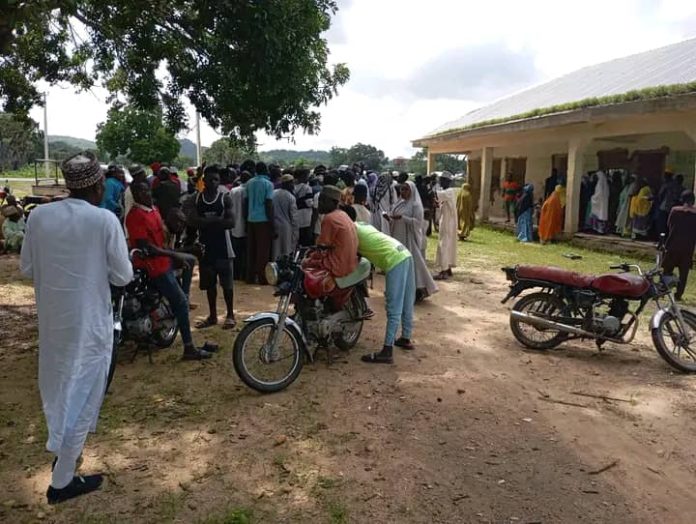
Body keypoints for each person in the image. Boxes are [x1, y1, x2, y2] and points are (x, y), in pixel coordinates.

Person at [19, 152, 133, 504]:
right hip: (91, 326)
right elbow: (123, 275)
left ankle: (64, 453)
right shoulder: (103, 221)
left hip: (54, 323)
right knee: (83, 395)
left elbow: (27, 268)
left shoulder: (39, 217)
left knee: (59, 389)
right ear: (98, 185)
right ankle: (62, 481)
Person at [126, 181, 214, 359]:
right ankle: (189, 347)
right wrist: (173, 255)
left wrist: (174, 254)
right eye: (141, 192)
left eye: (147, 190)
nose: (146, 194)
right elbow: (147, 248)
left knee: (189, 262)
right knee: (180, 302)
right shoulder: (135, 216)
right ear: (134, 195)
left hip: (163, 259)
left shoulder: (154, 210)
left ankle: (183, 296)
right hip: (153, 265)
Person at [352, 222, 415, 364]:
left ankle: (387, 350)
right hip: (404, 253)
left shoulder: (351, 233)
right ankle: (406, 337)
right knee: (406, 300)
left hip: (394, 259)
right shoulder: (363, 225)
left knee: (394, 306)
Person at [192, 166, 237, 330]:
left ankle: (230, 314)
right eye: (209, 179)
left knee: (227, 284)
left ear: (219, 181)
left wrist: (206, 222)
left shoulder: (225, 198)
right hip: (205, 247)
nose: (213, 183)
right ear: (204, 181)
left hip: (223, 247)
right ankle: (212, 316)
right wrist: (216, 220)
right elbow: (194, 221)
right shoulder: (198, 198)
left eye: (216, 180)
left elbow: (231, 223)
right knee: (210, 284)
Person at [389, 181, 438, 301]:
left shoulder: (415, 205)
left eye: (406, 190)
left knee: (413, 265)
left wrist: (403, 218)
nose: (403, 192)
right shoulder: (399, 203)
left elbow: (418, 222)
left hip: (409, 239)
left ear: (412, 191)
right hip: (398, 237)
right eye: (402, 189)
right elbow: (393, 214)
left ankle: (417, 290)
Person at [312, 185, 359, 282]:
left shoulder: (330, 218)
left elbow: (322, 246)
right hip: (351, 264)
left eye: (322, 201)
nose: (319, 204)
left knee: (305, 264)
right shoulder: (343, 214)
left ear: (333, 202)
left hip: (337, 266)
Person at [245, 162, 274, 284]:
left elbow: (246, 202)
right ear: (266, 170)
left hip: (251, 219)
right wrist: (271, 224)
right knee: (263, 251)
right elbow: (268, 205)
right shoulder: (268, 184)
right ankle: (262, 278)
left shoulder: (249, 183)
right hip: (263, 220)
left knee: (251, 249)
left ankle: (250, 277)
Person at [663, 190, 696, 301]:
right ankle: (678, 294)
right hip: (687, 248)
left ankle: (663, 290)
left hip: (672, 244)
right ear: (693, 201)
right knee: (683, 273)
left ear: (682, 200)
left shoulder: (675, 210)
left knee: (667, 269)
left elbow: (669, 225)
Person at [434, 171, 458, 280]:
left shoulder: (449, 191)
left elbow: (435, 194)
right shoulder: (446, 192)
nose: (440, 182)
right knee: (446, 244)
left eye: (442, 180)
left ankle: (443, 271)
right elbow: (441, 203)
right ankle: (447, 269)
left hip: (448, 223)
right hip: (446, 221)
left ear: (447, 181)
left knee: (444, 245)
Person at [272, 174, 299, 260]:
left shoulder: (273, 193)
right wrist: (295, 235)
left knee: (275, 252)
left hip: (274, 226)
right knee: (286, 252)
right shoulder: (291, 197)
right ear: (287, 184)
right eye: (291, 183)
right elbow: (294, 218)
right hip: (286, 228)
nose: (293, 185)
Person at [230, 170, 250, 280]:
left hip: (234, 226)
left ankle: (235, 274)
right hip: (246, 226)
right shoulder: (249, 190)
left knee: (236, 253)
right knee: (246, 253)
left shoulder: (233, 190)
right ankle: (244, 275)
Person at [656, 172, 683, 236]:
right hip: (674, 209)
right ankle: (667, 239)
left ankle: (661, 240)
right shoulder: (682, 189)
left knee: (662, 225)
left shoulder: (667, 185)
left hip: (664, 208)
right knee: (670, 225)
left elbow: (660, 195)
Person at [294, 168, 315, 246]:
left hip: (296, 215)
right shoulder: (307, 188)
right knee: (306, 239)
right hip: (306, 216)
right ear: (302, 177)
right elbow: (309, 203)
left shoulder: (293, 187)